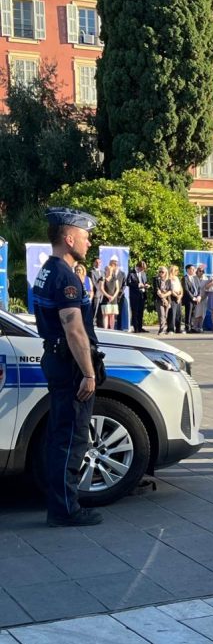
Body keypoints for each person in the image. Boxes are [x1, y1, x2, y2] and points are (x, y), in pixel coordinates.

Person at [33, 208, 103, 527]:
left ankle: (59, 504)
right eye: (85, 237)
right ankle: (65, 510)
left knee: (59, 436)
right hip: (70, 365)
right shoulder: (64, 276)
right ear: (69, 238)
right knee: (72, 438)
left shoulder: (48, 270)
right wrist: (88, 372)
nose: (89, 243)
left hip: (57, 358)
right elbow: (74, 330)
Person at [98, 258, 122, 330]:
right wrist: (108, 296)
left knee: (112, 315)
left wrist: (113, 297)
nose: (109, 272)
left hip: (113, 299)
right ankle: (105, 329)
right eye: (108, 270)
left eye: (111, 271)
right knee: (105, 315)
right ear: (106, 271)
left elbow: (117, 289)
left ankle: (112, 329)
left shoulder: (115, 278)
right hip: (105, 298)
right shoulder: (102, 278)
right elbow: (101, 288)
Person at [126, 261, 148, 333]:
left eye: (143, 269)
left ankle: (140, 327)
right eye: (142, 269)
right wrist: (138, 285)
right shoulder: (131, 272)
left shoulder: (143, 273)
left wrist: (146, 285)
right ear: (138, 267)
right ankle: (136, 328)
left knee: (141, 312)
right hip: (134, 295)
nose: (142, 270)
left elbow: (145, 281)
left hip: (142, 294)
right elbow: (128, 283)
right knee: (135, 312)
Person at [182, 264, 203, 334]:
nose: (194, 270)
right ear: (188, 270)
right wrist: (193, 297)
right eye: (192, 269)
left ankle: (192, 327)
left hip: (196, 299)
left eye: (194, 269)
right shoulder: (185, 278)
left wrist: (199, 296)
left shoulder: (195, 278)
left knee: (193, 314)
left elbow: (199, 288)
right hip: (189, 299)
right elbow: (186, 290)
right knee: (188, 313)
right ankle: (187, 327)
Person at [153, 266, 172, 335]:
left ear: (166, 272)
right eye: (159, 272)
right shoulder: (156, 279)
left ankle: (163, 328)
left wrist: (166, 298)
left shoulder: (168, 280)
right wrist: (163, 298)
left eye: (162, 272)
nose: (161, 273)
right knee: (161, 315)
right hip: (159, 299)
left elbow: (170, 291)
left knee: (165, 315)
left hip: (167, 299)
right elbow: (157, 290)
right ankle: (161, 330)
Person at [192, 265, 210, 332]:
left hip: (204, 298)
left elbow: (207, 290)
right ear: (197, 271)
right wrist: (196, 298)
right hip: (195, 299)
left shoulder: (206, 279)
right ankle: (194, 327)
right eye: (200, 271)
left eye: (203, 271)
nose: (201, 272)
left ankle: (200, 327)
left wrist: (202, 298)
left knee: (202, 313)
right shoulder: (193, 278)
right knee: (196, 313)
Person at [166, 265, 183, 334]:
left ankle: (178, 329)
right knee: (172, 313)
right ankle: (171, 329)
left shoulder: (177, 278)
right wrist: (176, 296)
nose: (177, 272)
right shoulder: (169, 279)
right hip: (172, 297)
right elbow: (170, 289)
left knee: (179, 314)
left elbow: (181, 288)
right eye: (176, 270)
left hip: (179, 297)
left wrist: (180, 296)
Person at [89, 257, 103, 328]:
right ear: (94, 263)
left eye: (99, 262)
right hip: (96, 293)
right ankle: (92, 322)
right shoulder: (91, 272)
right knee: (95, 309)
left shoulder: (103, 272)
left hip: (103, 294)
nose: (98, 264)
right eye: (96, 262)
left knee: (100, 310)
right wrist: (100, 287)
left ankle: (100, 323)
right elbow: (93, 283)